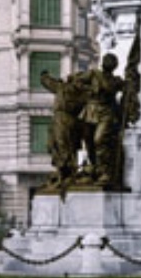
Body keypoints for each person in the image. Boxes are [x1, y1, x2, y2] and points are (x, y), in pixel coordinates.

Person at [40, 70, 90, 189]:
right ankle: (64, 171)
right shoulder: (77, 91)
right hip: (68, 120)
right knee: (60, 145)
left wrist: (44, 75)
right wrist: (44, 76)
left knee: (64, 145)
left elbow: (47, 82)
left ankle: (66, 171)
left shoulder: (64, 88)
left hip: (66, 120)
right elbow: (47, 82)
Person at [81, 53, 125, 187]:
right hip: (91, 111)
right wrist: (87, 90)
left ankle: (104, 171)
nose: (108, 63)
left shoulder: (116, 81)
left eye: (111, 61)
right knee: (88, 141)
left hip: (106, 113)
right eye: (106, 60)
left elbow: (129, 89)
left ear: (114, 66)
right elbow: (77, 82)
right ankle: (94, 167)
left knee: (99, 139)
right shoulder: (93, 74)